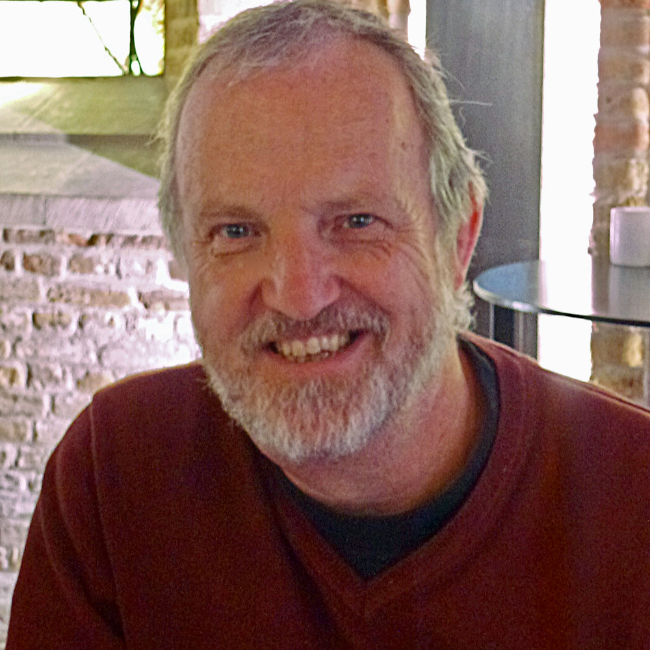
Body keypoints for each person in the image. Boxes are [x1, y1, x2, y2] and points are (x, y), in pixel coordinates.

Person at [7, 1, 650, 647]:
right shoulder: (116, 476)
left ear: (457, 238)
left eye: (357, 222)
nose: (299, 297)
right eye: (236, 231)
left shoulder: (632, 499)